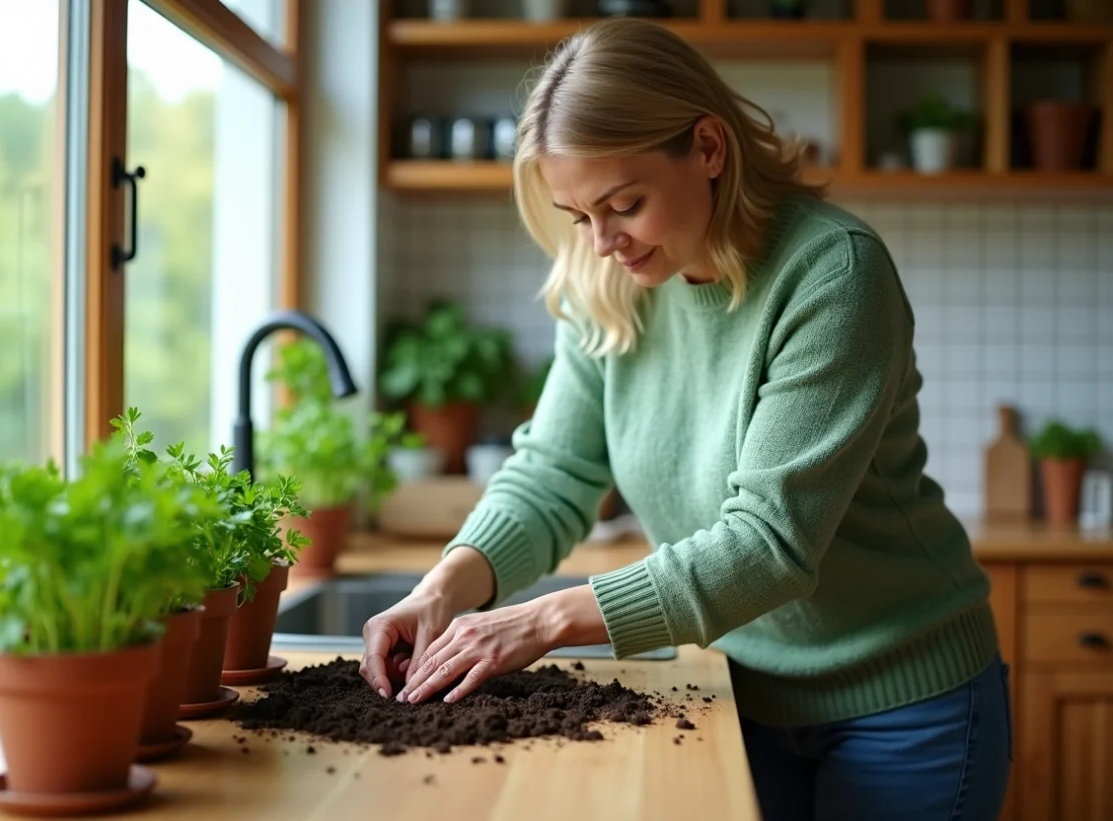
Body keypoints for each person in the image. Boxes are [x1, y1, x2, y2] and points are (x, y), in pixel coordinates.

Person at [359, 17, 1011, 821]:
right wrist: (441, 590)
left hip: (904, 702)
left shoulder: (832, 273)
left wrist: (544, 619)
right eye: (577, 215)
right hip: (735, 690)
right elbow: (553, 473)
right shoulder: (611, 282)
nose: (602, 242)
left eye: (623, 204)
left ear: (707, 148)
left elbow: (768, 544)